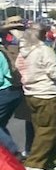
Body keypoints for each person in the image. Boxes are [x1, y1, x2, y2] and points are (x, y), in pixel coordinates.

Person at [16, 24, 56, 170]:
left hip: (31, 92)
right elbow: (53, 72)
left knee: (39, 128)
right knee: (48, 129)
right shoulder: (44, 50)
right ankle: (34, 163)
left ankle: (47, 162)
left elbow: (19, 67)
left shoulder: (24, 52)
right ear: (42, 35)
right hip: (46, 93)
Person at [0, 16, 25, 160]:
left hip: (7, 90)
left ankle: (13, 152)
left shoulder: (9, 47)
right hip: (16, 88)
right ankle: (10, 154)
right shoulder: (9, 47)